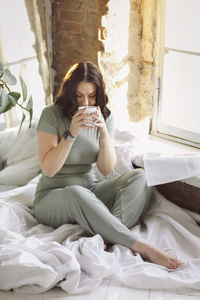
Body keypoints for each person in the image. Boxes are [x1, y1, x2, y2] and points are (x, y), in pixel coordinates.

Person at [33, 61, 181, 269]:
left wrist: (103, 132)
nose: (85, 102)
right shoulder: (51, 115)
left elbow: (105, 169)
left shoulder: (104, 116)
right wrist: (71, 134)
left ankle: (109, 235)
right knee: (77, 192)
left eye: (92, 96)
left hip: (90, 191)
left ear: (99, 94)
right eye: (79, 95)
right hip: (52, 196)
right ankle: (141, 246)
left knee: (141, 177)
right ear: (69, 93)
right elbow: (49, 169)